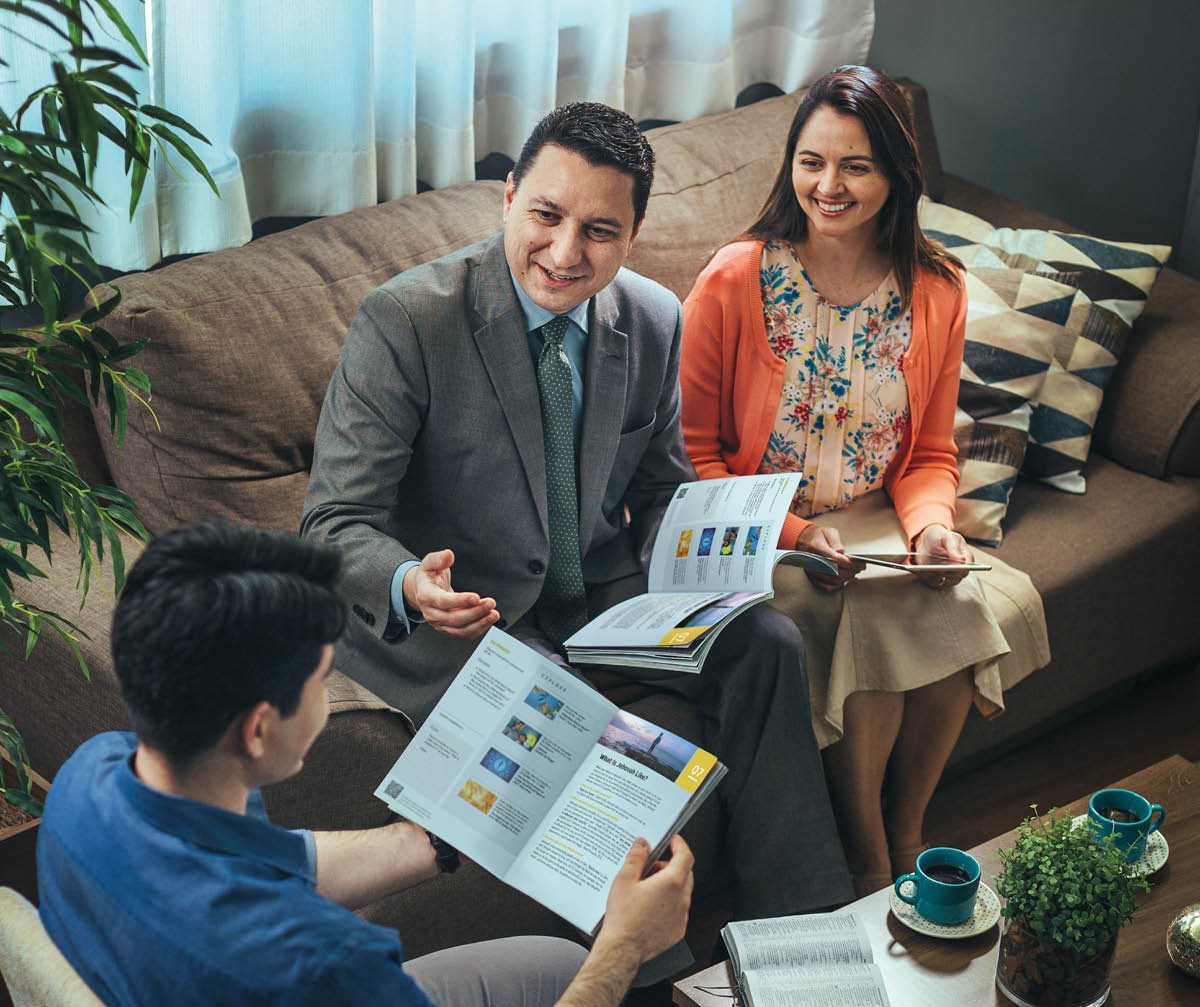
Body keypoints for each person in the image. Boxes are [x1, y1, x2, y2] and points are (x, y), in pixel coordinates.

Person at [302, 101, 852, 925]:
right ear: (509, 197)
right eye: (547, 216)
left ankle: (804, 939)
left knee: (768, 639)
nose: (565, 253)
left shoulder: (655, 318)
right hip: (469, 620)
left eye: (599, 230)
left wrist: (729, 561)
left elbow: (660, 493)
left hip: (603, 598)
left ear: (632, 234)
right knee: (562, 715)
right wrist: (413, 582)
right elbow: (332, 522)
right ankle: (634, 973)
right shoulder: (407, 321)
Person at [36, 522, 694, 1007]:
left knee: (551, 961)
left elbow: (267, 859)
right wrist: (626, 945)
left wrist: (435, 840)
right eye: (325, 678)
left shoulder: (88, 777)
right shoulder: (328, 963)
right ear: (259, 728)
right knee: (587, 966)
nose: (330, 697)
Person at [678, 66, 1049, 896]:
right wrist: (796, 534)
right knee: (872, 617)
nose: (829, 186)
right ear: (790, 165)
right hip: (755, 526)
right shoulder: (735, 279)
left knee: (951, 594)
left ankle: (909, 822)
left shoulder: (938, 288)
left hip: (879, 516)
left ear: (896, 175)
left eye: (856, 166)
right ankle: (869, 851)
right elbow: (691, 456)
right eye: (812, 162)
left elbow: (928, 456)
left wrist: (931, 529)